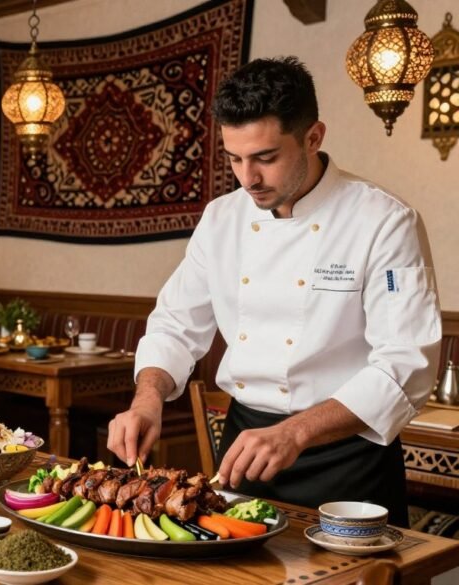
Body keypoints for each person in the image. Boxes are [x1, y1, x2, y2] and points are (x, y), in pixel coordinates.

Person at [106, 57, 441, 526]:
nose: (248, 178)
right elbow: (175, 325)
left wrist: (296, 432)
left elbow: (407, 363)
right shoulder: (222, 219)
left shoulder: (384, 221)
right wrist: (147, 399)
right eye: (234, 158)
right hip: (246, 451)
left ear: (313, 137)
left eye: (265, 158)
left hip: (349, 460)